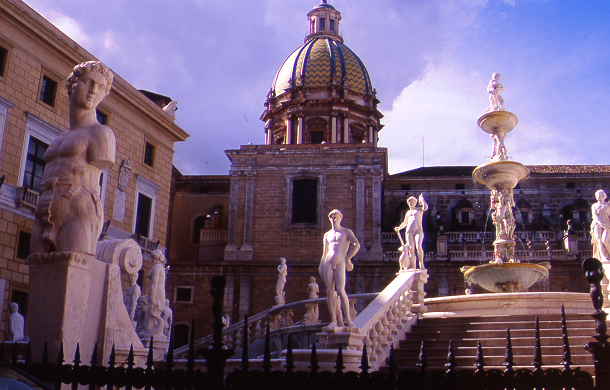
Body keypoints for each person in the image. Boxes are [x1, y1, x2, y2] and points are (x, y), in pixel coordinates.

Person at [30, 61, 116, 256]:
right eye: (88, 81)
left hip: (79, 209)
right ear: (73, 84)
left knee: (74, 268)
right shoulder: (58, 139)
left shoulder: (101, 134)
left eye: (101, 87)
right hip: (43, 208)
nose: (94, 90)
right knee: (37, 269)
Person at [319, 210, 360, 329]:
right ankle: (334, 321)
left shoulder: (346, 232)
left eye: (336, 217)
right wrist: (321, 266)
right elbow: (324, 252)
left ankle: (347, 318)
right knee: (330, 291)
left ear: (340, 218)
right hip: (328, 263)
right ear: (329, 219)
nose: (334, 219)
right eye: (332, 217)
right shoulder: (327, 234)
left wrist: (348, 258)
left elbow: (356, 245)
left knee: (341, 289)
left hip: (341, 261)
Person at [395, 194, 428, 269]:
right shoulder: (408, 213)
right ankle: (413, 266)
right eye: (409, 202)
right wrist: (399, 228)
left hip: (418, 230)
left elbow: (425, 207)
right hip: (409, 231)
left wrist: (422, 200)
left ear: (415, 203)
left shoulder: (419, 210)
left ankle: (421, 263)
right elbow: (405, 222)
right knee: (411, 249)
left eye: (412, 202)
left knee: (418, 246)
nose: (411, 203)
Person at [144, 249, 167, 336]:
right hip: (161, 294)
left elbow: (154, 284)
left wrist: (152, 298)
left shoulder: (156, 267)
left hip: (156, 294)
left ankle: (153, 336)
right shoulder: (161, 267)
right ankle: (156, 334)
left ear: (153, 257)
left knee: (148, 325)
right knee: (153, 319)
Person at [591, 189, 610, 262]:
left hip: (606, 224)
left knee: (605, 240)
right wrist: (600, 223)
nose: (599, 196)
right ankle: (603, 257)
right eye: (597, 195)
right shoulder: (594, 205)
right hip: (597, 223)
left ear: (604, 196)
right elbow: (595, 216)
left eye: (600, 194)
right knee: (599, 239)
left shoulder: (607, 206)